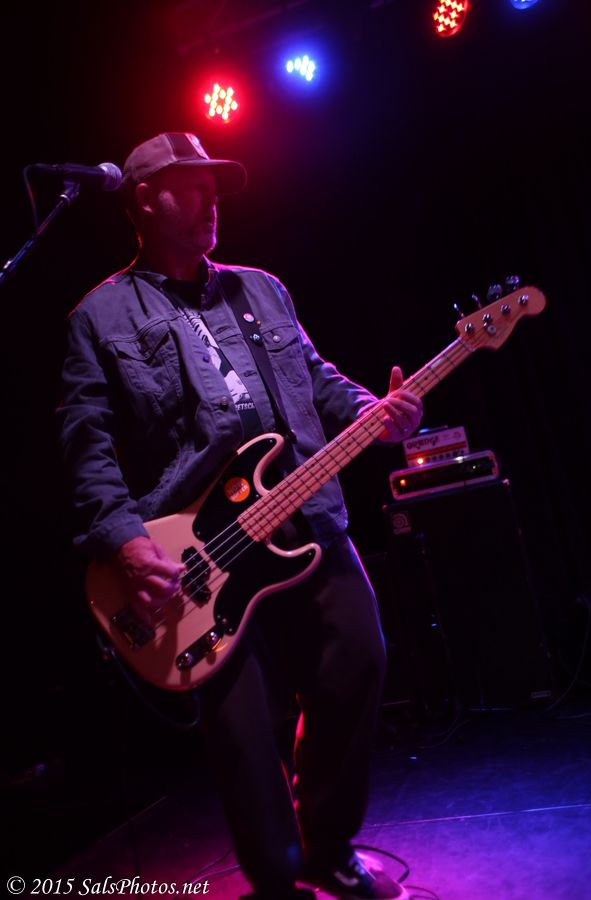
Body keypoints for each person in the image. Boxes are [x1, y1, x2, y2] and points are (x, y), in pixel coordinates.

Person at [58, 132, 423, 900]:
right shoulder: (99, 316)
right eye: (190, 187)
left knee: (360, 660)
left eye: (215, 187)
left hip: (307, 516)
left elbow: (318, 381)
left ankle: (327, 844)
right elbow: (87, 449)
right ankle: (277, 879)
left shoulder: (262, 290)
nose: (211, 201)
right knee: (242, 733)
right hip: (203, 553)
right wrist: (125, 542)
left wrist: (374, 411)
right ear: (144, 200)